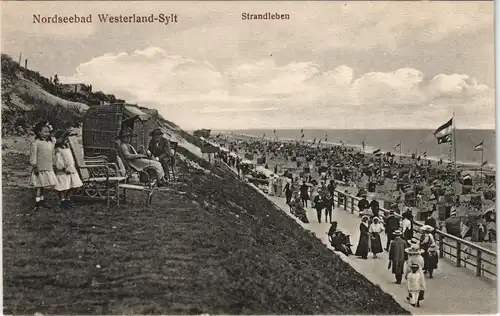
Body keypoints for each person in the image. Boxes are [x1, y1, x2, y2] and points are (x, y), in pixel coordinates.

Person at [29, 121, 58, 210]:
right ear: (39, 132)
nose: (47, 133)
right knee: (38, 186)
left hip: (47, 166)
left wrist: (54, 164)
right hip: (39, 167)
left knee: (43, 186)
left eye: (48, 132)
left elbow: (53, 153)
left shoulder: (50, 143)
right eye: (45, 131)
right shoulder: (36, 143)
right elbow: (33, 155)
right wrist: (34, 166)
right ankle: (37, 203)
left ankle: (42, 200)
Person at [53, 130, 83, 209]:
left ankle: (68, 199)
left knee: (75, 184)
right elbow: (58, 160)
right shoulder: (57, 148)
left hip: (71, 168)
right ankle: (63, 201)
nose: (65, 140)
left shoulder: (67, 146)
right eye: (63, 138)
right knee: (63, 186)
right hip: (63, 170)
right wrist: (63, 168)